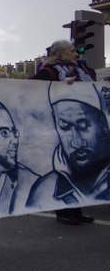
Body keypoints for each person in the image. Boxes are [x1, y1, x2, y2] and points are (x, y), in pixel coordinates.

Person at [30, 40, 98, 224]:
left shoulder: (82, 70)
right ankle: (64, 211)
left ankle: (77, 210)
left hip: (82, 127)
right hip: (61, 129)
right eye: (71, 51)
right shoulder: (49, 72)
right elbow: (32, 89)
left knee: (80, 170)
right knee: (65, 169)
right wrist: (60, 86)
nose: (75, 54)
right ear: (60, 54)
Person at [26, 80, 110, 221]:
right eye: (64, 127)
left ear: (103, 124)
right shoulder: (44, 191)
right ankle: (67, 213)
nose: (75, 142)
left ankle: (76, 213)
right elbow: (33, 83)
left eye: (83, 126)